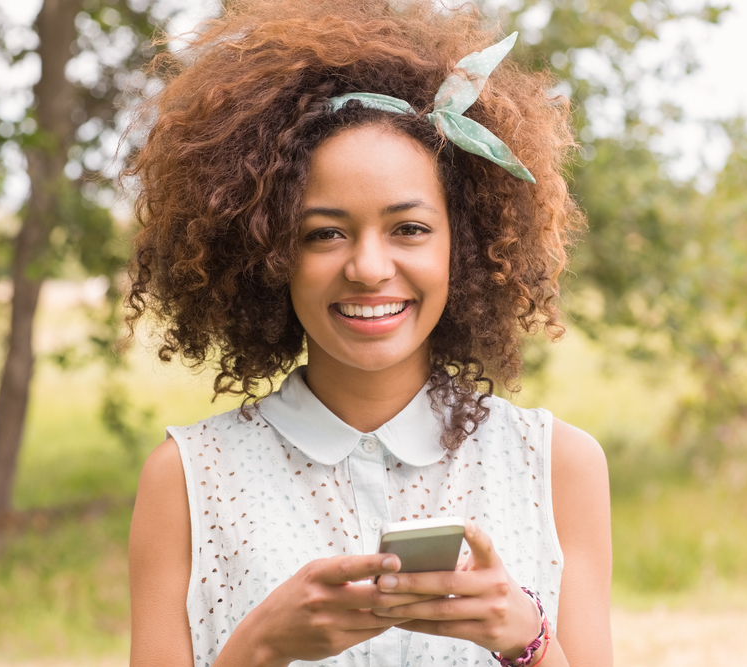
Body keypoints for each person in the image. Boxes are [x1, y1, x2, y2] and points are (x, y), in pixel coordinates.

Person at [123, 1, 612, 665]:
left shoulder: (560, 466)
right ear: (268, 252)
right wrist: (258, 646)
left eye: (409, 228)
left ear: (462, 246)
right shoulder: (186, 480)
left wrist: (524, 635)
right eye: (324, 233)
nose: (369, 268)